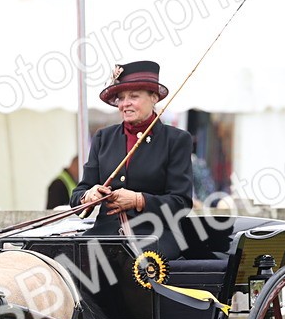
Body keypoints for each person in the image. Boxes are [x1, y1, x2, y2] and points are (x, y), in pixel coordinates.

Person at [70, 61, 193, 259]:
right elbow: (78, 194)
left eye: (133, 96)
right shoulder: (103, 138)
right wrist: (89, 196)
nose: (124, 104)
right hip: (104, 239)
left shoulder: (176, 140)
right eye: (121, 98)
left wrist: (138, 200)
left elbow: (181, 202)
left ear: (154, 98)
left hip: (155, 239)